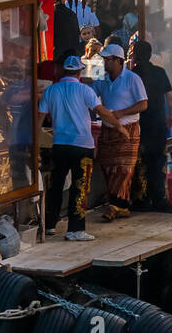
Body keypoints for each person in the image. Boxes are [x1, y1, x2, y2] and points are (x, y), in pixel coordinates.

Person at [39, 54, 124, 241]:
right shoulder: (85, 91)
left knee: (55, 186)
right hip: (82, 145)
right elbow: (102, 112)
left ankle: (50, 225)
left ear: (62, 71)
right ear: (79, 72)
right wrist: (119, 127)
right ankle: (75, 229)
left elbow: (39, 120)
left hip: (59, 145)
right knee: (80, 187)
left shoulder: (50, 91)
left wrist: (34, 144)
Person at [92, 44, 147, 221]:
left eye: (107, 59)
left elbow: (143, 104)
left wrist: (122, 112)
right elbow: (91, 96)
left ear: (118, 61)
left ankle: (115, 205)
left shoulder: (132, 78)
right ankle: (121, 204)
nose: (104, 62)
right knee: (107, 165)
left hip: (128, 128)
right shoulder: (100, 78)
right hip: (108, 128)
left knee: (124, 168)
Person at [130, 40, 172, 211]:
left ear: (135, 55)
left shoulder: (133, 74)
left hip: (141, 123)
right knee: (158, 161)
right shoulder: (160, 72)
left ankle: (141, 199)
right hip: (158, 122)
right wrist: (171, 115)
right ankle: (159, 199)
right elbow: (170, 97)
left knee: (141, 162)